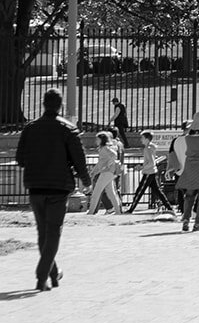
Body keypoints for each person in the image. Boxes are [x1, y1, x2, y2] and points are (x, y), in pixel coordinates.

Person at [15, 89, 91, 291]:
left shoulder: (30, 128)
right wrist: (85, 179)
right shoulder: (68, 129)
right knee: (53, 232)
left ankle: (53, 272)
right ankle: (42, 276)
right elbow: (79, 159)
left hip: (35, 186)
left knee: (43, 232)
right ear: (60, 106)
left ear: (43, 104)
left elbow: (20, 159)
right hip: (59, 186)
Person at [128, 131, 173, 214]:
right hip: (152, 171)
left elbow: (151, 162)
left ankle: (131, 209)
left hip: (148, 172)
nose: (141, 140)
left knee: (140, 190)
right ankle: (169, 207)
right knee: (158, 191)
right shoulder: (150, 148)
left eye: (142, 138)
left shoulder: (147, 149)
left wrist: (141, 167)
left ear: (147, 139)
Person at [87, 131, 125, 216]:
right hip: (109, 172)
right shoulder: (104, 148)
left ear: (102, 140)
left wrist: (108, 165)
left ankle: (91, 211)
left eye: (98, 139)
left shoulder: (105, 148)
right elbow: (101, 162)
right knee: (111, 193)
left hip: (107, 172)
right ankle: (118, 211)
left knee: (96, 192)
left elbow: (113, 155)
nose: (96, 141)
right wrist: (94, 171)